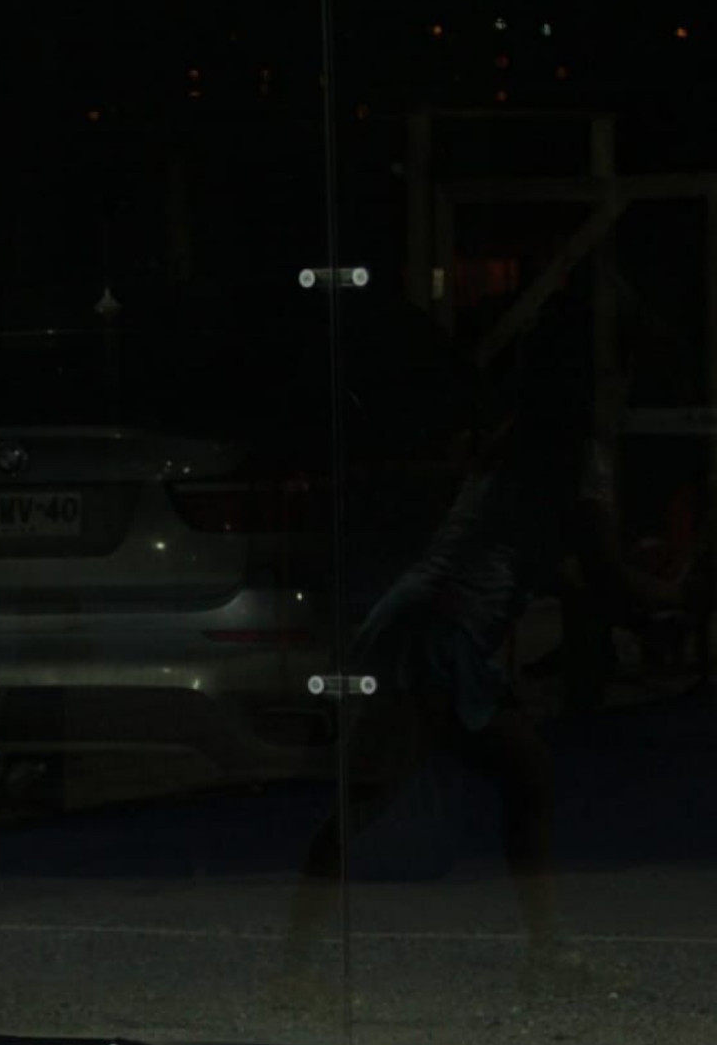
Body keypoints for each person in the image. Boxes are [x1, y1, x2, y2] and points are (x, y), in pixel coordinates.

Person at [284, 329, 690, 990]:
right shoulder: (576, 456)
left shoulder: (515, 442)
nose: (622, 394)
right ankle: (542, 953)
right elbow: (602, 571)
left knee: (410, 789)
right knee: (454, 784)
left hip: (419, 621)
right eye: (615, 378)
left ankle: (297, 963)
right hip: (440, 633)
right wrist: (674, 592)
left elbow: (535, 560)